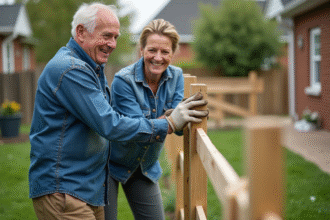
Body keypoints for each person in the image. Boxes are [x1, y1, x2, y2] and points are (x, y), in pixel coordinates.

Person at [28, 3, 208, 220]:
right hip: (64, 187)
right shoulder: (72, 69)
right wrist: (169, 122)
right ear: (81, 32)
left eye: (115, 37)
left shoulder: (91, 67)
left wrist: (185, 118)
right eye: (106, 36)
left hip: (85, 183)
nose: (112, 44)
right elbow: (110, 124)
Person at [104, 19, 187, 220]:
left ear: (172, 54)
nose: (158, 57)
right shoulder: (124, 80)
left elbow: (179, 127)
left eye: (165, 52)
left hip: (145, 166)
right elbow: (138, 130)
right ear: (141, 50)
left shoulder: (176, 76)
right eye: (152, 50)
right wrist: (171, 118)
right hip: (109, 165)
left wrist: (190, 115)